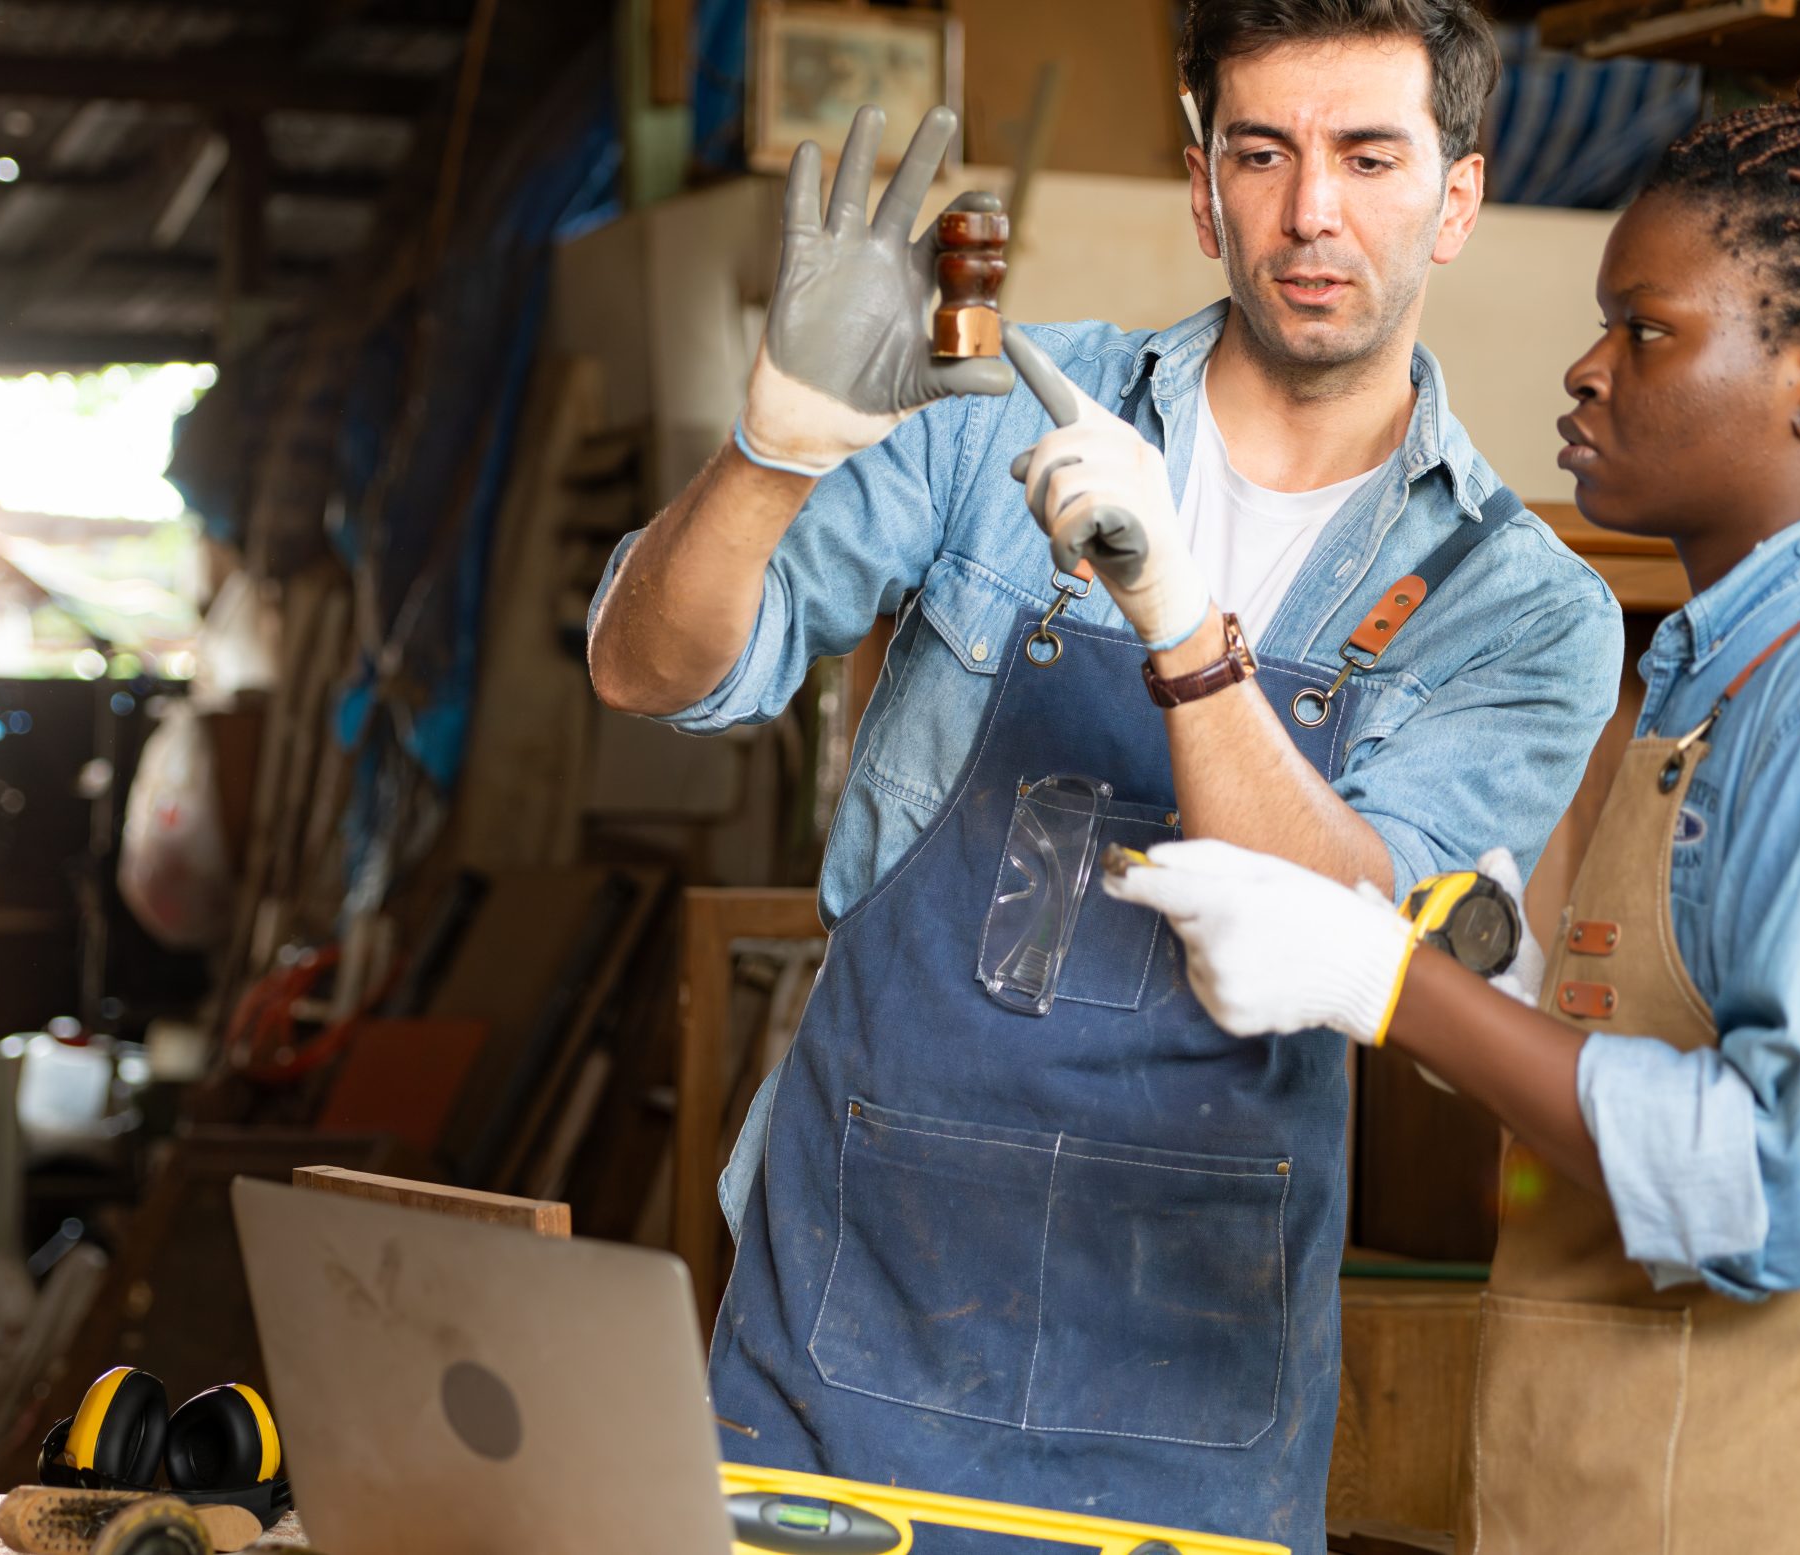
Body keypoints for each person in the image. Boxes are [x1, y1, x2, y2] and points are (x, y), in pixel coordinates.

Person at [585, 0, 1623, 1545]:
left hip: (1187, 1381)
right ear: (1204, 185)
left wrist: (1181, 619)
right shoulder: (992, 409)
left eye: (1369, 155)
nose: (1312, 209)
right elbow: (644, 673)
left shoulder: (1521, 606)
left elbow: (1367, 940)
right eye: (1262, 153)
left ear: (1456, 198)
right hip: (858, 1307)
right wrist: (773, 447)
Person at [1113, 41, 1800, 1555]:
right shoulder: (1721, 676)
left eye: (1644, 330)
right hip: (1648, 1484)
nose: (1586, 366)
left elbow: (1773, 1182)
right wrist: (1499, 970)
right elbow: (1657, 1067)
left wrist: (1390, 984)